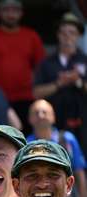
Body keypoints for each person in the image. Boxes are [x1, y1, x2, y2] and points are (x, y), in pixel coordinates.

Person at [0, 0, 45, 133]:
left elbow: (41, 69)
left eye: (15, 10)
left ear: (21, 13)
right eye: (6, 10)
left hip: (26, 98)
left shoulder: (31, 36)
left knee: (25, 139)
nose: (11, 14)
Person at [33, 13, 87, 158]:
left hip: (82, 124)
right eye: (63, 33)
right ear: (58, 35)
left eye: (72, 33)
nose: (67, 37)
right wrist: (59, 84)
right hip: (54, 125)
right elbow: (36, 92)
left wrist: (78, 82)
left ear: (78, 36)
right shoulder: (46, 63)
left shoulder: (84, 60)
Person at [27, 99, 87, 197]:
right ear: (29, 119)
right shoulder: (25, 145)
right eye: (36, 113)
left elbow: (79, 170)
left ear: (53, 117)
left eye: (44, 112)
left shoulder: (67, 139)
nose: (40, 116)